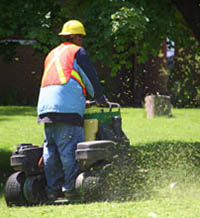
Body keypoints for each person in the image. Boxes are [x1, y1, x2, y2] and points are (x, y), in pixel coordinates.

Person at [37, 20, 107, 201]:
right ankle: (70, 190)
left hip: (45, 108)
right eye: (81, 37)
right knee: (69, 151)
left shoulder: (52, 53)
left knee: (50, 152)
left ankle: (52, 190)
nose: (82, 41)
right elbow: (90, 77)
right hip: (66, 111)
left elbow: (65, 80)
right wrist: (100, 98)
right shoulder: (77, 52)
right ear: (76, 37)